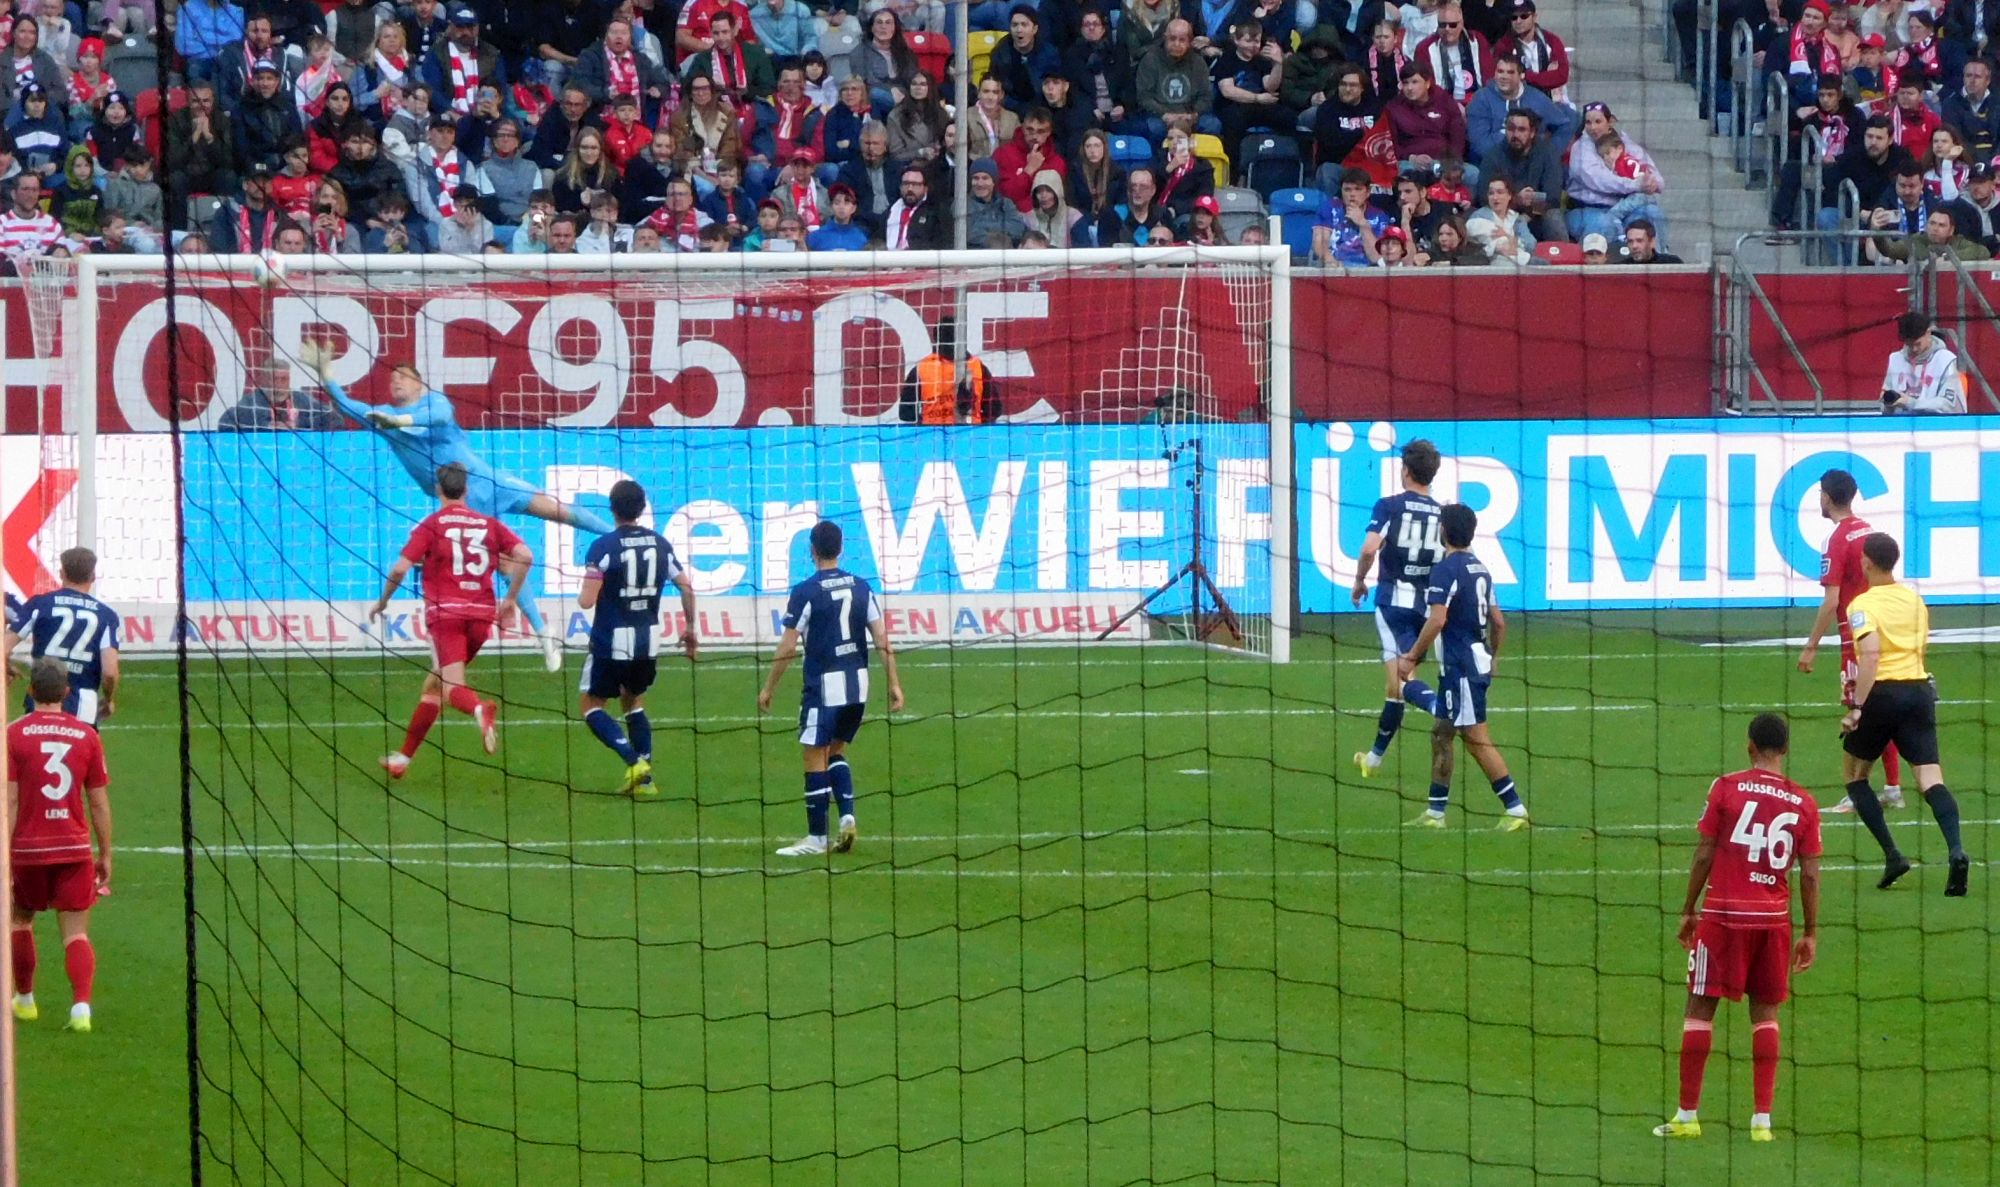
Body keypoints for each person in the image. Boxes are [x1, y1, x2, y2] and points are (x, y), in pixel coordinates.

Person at [306, 348, 616, 668]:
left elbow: (437, 418)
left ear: (420, 385)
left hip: (485, 481)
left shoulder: (433, 404)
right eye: (392, 378)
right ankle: (542, 632)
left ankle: (621, 535)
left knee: (558, 511)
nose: (396, 381)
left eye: (404, 376)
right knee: (508, 565)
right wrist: (326, 373)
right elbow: (348, 405)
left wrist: (400, 419)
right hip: (468, 498)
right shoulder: (384, 418)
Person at [1653, 712, 1821, 1143]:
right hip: (1773, 921)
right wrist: (1810, 932)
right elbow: (1810, 875)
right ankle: (1762, 1122)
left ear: (1749, 746)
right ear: (1784, 750)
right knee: (1765, 1014)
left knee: (1699, 1007)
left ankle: (1687, 1115)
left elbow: (1705, 852)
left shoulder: (1725, 787)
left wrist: (1689, 907)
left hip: (1724, 915)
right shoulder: (1803, 801)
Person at [370, 463, 532, 775]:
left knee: (449, 688)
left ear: (439, 490)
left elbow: (401, 568)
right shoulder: (489, 524)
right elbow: (524, 556)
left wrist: (383, 602)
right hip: (481, 619)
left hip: (446, 618)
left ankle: (479, 708)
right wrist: (510, 599)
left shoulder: (432, 525)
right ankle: (402, 759)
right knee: (433, 686)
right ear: (467, 489)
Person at [757, 520, 905, 857]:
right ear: (840, 549)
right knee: (835, 753)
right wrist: (894, 683)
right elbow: (882, 638)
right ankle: (848, 818)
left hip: (823, 688)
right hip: (858, 688)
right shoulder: (862, 586)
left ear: (811, 550)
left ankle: (816, 838)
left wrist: (769, 688)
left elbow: (788, 647)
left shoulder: (806, 591)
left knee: (813, 757)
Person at [1836, 532, 1969, 895]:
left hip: (1881, 694)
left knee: (1855, 775)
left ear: (1866, 562)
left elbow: (1872, 655)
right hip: (1918, 691)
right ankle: (1956, 849)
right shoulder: (1915, 600)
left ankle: (1893, 855)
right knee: (1930, 779)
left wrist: (1857, 708)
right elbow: (1922, 647)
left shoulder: (1862, 605)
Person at [1395, 502, 1529, 830]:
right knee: (1442, 733)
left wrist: (1411, 656)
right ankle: (1436, 813)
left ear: (1443, 530)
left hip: (1462, 669)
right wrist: (1493, 657)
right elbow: (1498, 623)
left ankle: (1515, 809)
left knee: (1475, 738)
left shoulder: (1446, 569)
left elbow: (1437, 619)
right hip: (1468, 666)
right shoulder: (1481, 568)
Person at [7, 657, 113, 1034]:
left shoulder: (13, 735)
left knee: (20, 920)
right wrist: (104, 853)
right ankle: (81, 1008)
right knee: (76, 932)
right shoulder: (87, 735)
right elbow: (98, 802)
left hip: (28, 849)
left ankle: (25, 1000)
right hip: (73, 848)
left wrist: (6, 853)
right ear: (67, 693)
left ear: (31, 690)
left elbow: (12, 799)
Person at [577, 479, 696, 796]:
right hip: (648, 639)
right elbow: (686, 585)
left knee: (591, 705)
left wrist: (595, 584)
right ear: (642, 509)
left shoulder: (603, 547)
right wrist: (690, 628)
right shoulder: (661, 544)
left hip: (611, 640)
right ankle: (645, 782)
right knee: (633, 702)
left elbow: (586, 601)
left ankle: (634, 761)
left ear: (612, 510)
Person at [1798, 468, 1903, 813]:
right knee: (1879, 706)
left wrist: (1811, 646)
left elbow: (1831, 600)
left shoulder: (1838, 538)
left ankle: (1859, 792)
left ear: (1827, 497)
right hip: (1883, 628)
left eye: (1820, 494)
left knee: (1859, 711)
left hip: (1856, 636)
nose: (1820, 500)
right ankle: (1892, 788)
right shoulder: (1869, 531)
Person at [1350, 439, 1444, 777]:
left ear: (1405, 470)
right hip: (1425, 610)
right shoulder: (1441, 512)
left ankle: (1441, 708)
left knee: (1403, 680)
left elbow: (1368, 548)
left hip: (1393, 603)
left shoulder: (1389, 506)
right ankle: (1372, 760)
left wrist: (1360, 581)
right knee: (1397, 685)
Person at [3, 548, 120, 725]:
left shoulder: (39, 604)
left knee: (34, 750)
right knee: (81, 751)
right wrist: (109, 699)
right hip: (83, 707)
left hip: (40, 700)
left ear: (61, 573)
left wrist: (6, 665)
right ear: (93, 576)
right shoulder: (106, 616)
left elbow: (3, 647)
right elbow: (110, 672)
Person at [897, 317, 1000, 423]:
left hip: (933, 435)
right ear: (962, 338)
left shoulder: (921, 369)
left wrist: (926, 422)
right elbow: (995, 409)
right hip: (970, 435)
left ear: (936, 339)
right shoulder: (978, 367)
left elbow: (906, 413)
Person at [1877, 309, 1967, 414]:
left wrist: (1911, 403)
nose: (1914, 349)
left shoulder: (1945, 360)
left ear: (1928, 333)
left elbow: (1949, 405)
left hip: (1933, 426)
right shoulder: (1895, 359)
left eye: (1918, 344)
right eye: (1909, 344)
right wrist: (1887, 404)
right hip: (1900, 425)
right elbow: (1884, 404)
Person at [1617, 218, 1682, 264]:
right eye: (1630, 241)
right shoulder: (1620, 269)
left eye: (1639, 241)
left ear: (1652, 242)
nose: (1634, 246)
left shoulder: (1672, 264)